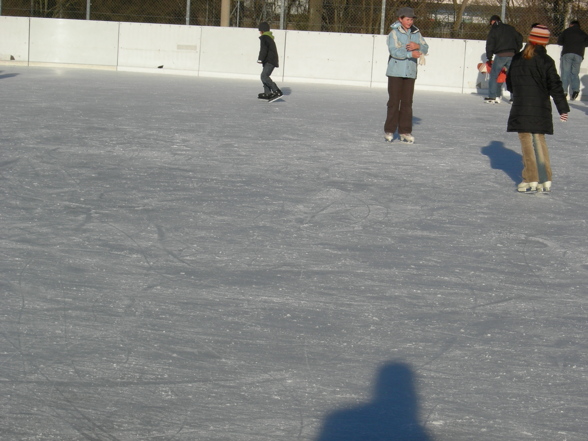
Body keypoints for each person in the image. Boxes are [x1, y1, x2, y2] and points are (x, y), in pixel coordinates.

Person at [506, 24, 569, 193]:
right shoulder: (546, 61)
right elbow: (555, 85)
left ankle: (530, 178)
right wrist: (563, 108)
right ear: (545, 43)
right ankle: (545, 178)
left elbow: (509, 84)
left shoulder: (518, 58)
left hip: (521, 106)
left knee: (526, 140)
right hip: (540, 106)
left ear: (530, 39)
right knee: (538, 139)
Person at [384, 7, 428, 144]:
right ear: (400, 19)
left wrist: (418, 47)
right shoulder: (394, 33)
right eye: (407, 19)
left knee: (407, 103)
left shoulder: (416, 32)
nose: (410, 22)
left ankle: (405, 131)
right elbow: (394, 52)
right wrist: (410, 54)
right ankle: (389, 130)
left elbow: (425, 47)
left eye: (411, 19)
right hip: (395, 72)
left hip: (410, 73)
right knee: (394, 102)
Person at [484, 15, 523, 103]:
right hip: (512, 55)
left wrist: (489, 57)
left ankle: (492, 96)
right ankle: (514, 98)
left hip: (500, 55)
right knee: (512, 76)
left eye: (491, 23)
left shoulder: (494, 30)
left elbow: (490, 44)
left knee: (494, 75)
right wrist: (516, 50)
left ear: (493, 21)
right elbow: (519, 38)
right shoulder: (510, 28)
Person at [557, 20, 588, 101]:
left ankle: (564, 91)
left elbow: (559, 42)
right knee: (575, 73)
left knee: (565, 73)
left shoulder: (566, 31)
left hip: (567, 53)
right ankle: (575, 90)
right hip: (579, 55)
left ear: (571, 25)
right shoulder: (583, 33)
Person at [257, 22, 282, 101]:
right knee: (264, 76)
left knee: (264, 76)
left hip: (270, 61)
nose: (259, 32)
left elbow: (263, 50)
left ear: (262, 30)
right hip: (270, 60)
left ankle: (277, 91)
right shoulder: (268, 37)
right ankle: (267, 93)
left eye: (260, 30)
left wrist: (260, 58)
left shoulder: (264, 37)